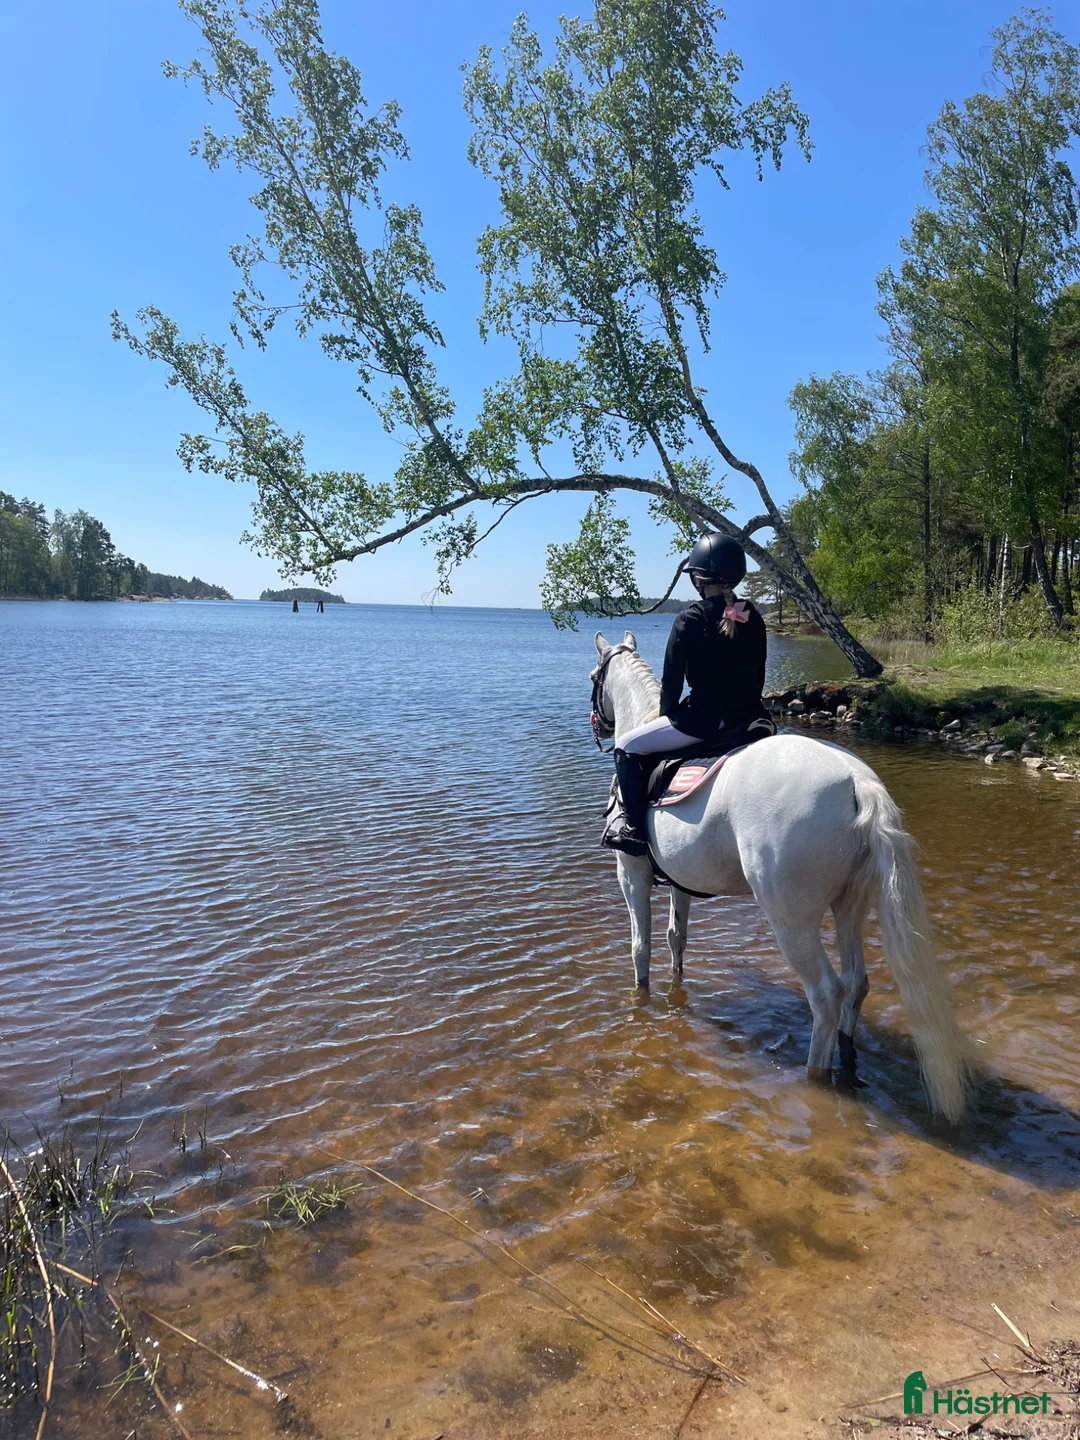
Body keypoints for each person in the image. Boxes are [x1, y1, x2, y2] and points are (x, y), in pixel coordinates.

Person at [603, 533, 775, 856]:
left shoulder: (689, 620)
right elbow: (758, 676)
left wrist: (668, 713)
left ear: (698, 577)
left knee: (626, 746)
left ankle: (634, 831)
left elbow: (671, 687)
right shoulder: (753, 618)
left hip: (703, 722)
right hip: (752, 718)